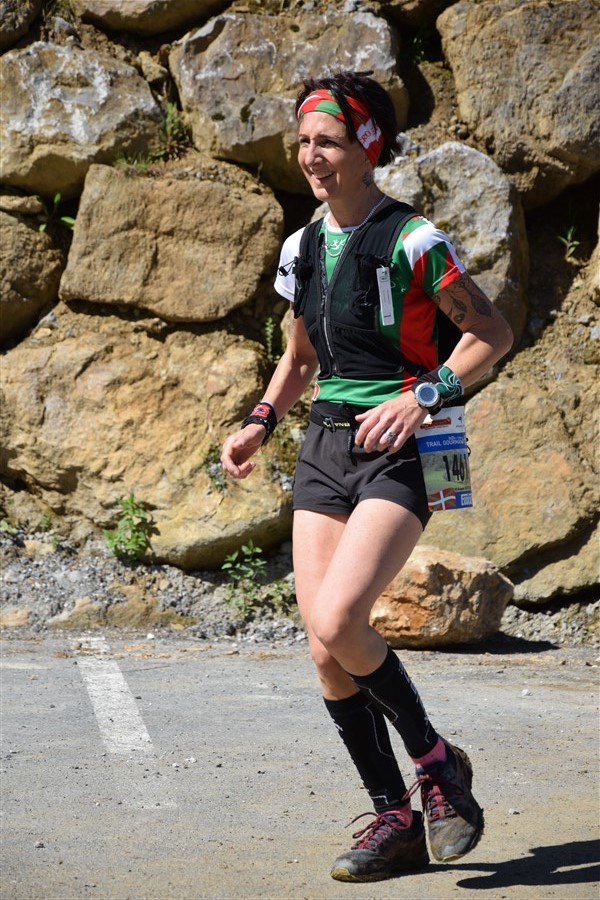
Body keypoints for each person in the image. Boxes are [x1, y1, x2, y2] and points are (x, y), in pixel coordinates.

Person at [221, 70, 513, 883]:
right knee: (325, 649)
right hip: (323, 447)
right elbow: (299, 358)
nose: (311, 156)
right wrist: (260, 420)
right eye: (304, 141)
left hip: (401, 450)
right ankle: (396, 819)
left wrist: (424, 397)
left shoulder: (414, 240)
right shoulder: (302, 247)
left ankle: (437, 765)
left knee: (343, 618)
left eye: (329, 141)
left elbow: (491, 333)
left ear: (369, 147)